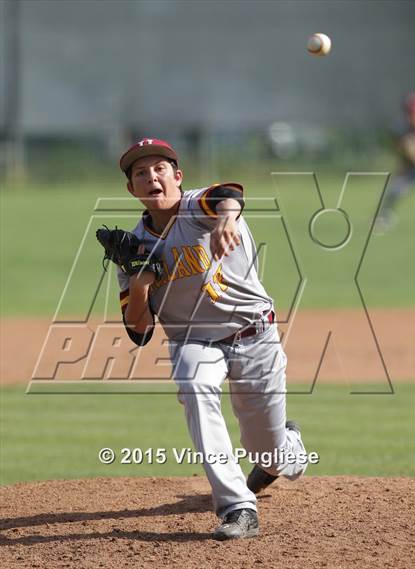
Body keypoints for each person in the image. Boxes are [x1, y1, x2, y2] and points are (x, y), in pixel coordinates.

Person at [116, 138, 308, 540]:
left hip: (254, 335)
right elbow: (139, 332)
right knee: (192, 381)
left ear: (177, 177)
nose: (151, 176)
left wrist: (227, 219)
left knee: (268, 453)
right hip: (194, 341)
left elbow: (229, 194)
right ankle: (238, 506)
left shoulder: (196, 206)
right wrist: (139, 286)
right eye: (140, 172)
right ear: (132, 189)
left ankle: (287, 449)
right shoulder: (133, 249)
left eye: (159, 168)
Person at [376, 92, 415, 232]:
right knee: (394, 191)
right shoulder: (401, 129)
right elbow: (410, 154)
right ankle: (385, 217)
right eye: (412, 112)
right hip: (412, 168)